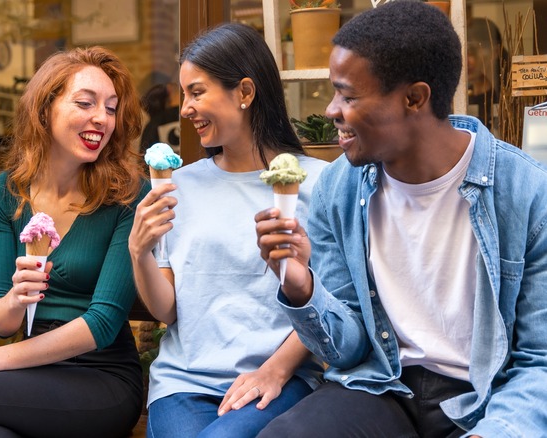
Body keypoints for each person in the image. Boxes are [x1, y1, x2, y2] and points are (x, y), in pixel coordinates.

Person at [254, 1, 547, 437]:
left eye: (348, 95)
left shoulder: (526, 191)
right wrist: (302, 290)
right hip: (383, 385)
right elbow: (348, 349)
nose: (332, 110)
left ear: (414, 98)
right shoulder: (340, 187)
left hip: (488, 396)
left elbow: (539, 361)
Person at [0, 46, 148, 437]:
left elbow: (102, 325)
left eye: (110, 107)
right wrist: (17, 298)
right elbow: (0, 322)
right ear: (44, 109)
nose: (101, 118)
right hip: (30, 370)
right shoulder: (7, 192)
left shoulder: (127, 195)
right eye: (85, 103)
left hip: (101, 376)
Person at [128, 22, 327, 438]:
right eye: (184, 94)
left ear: (245, 93)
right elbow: (167, 310)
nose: (184, 108)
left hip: (282, 379)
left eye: (196, 92)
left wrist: (275, 371)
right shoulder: (177, 186)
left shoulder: (320, 183)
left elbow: (328, 303)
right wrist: (139, 251)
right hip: (183, 383)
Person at [466, 17, 506, 130]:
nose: (468, 60)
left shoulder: (506, 98)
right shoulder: (462, 97)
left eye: (474, 50)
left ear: (496, 52)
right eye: (466, 51)